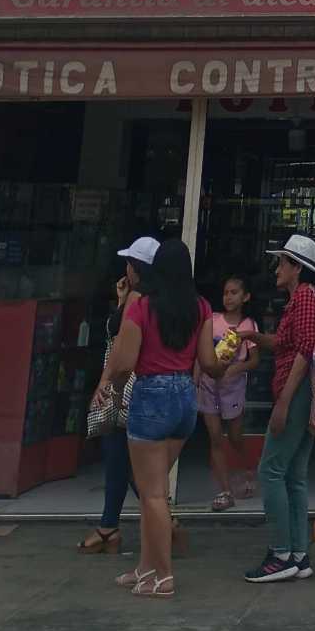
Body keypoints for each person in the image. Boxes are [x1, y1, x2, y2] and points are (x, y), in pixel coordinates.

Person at [93, 236, 222, 600]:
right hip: (184, 398)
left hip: (151, 395)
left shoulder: (142, 307)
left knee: (152, 494)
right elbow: (208, 363)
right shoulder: (201, 307)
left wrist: (114, 389)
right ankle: (145, 568)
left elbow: (124, 363)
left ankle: (162, 576)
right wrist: (226, 364)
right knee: (153, 489)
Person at [246, 234, 315, 584]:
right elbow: (285, 343)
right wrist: (252, 337)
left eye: (282, 262)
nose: (277, 269)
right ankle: (298, 554)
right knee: (293, 475)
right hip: (301, 393)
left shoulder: (306, 297)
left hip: (296, 393)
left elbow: (305, 350)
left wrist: (283, 401)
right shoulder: (302, 299)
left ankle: (281, 554)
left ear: (297, 268)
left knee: (270, 470)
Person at [78, 238, 154, 554]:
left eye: (129, 263)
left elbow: (121, 345)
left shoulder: (138, 299)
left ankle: (159, 520)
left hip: (125, 382)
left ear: (135, 268)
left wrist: (105, 384)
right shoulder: (145, 298)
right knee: (120, 457)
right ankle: (110, 526)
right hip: (133, 382)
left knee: (121, 457)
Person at [198, 273, 259, 511]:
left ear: (246, 297)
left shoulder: (248, 325)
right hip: (208, 385)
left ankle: (248, 470)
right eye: (225, 293)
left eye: (234, 293)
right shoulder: (212, 320)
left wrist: (236, 368)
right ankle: (224, 491)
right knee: (215, 437)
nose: (229, 297)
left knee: (234, 436)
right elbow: (200, 354)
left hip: (233, 387)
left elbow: (254, 360)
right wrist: (195, 379)